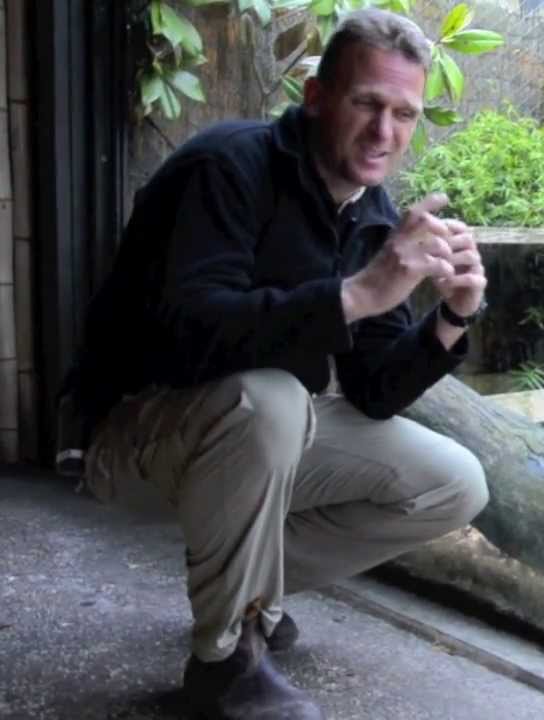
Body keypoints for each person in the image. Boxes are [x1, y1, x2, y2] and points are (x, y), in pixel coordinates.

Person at [57, 9, 489, 719]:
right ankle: (224, 663)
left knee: (453, 483)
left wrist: (453, 317)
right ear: (317, 98)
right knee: (274, 399)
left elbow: (376, 390)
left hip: (251, 438)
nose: (384, 132)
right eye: (366, 104)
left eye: (404, 114)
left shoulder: (373, 213)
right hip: (130, 432)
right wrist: (354, 294)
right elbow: (189, 335)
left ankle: (246, 595)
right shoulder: (226, 166)